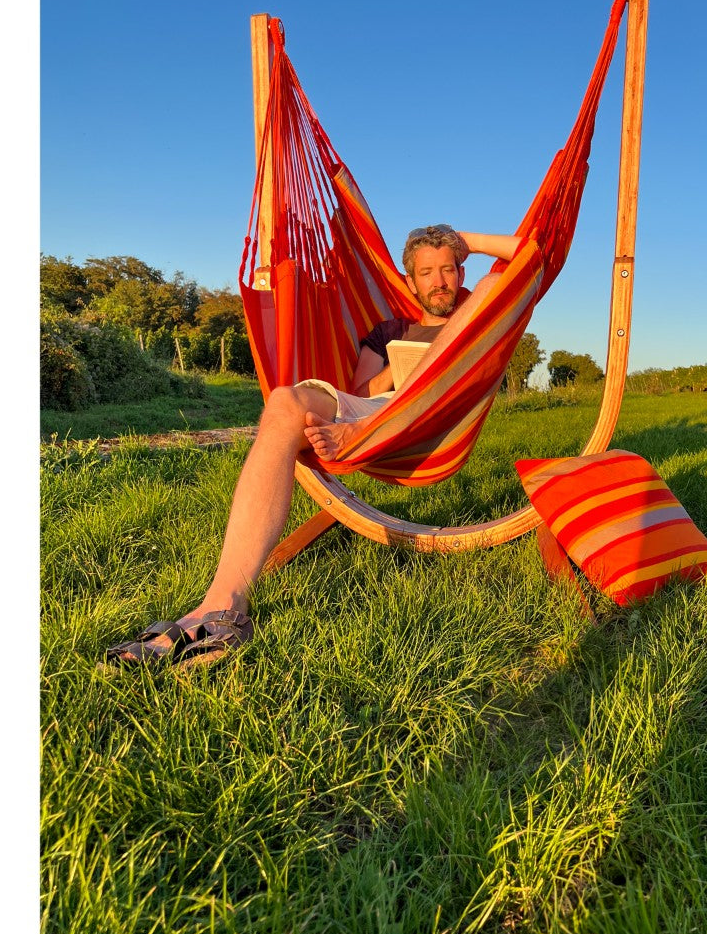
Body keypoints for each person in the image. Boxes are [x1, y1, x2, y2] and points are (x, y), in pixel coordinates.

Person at [107, 224, 521, 665]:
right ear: (409, 282)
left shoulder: (480, 311)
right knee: (286, 402)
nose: (439, 281)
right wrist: (398, 372)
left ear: (460, 271)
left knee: (497, 283)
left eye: (448, 269)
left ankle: (366, 431)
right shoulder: (388, 330)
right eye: (426, 273)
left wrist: (467, 242)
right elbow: (360, 390)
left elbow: (532, 257)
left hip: (440, 417)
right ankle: (222, 604)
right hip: (376, 411)